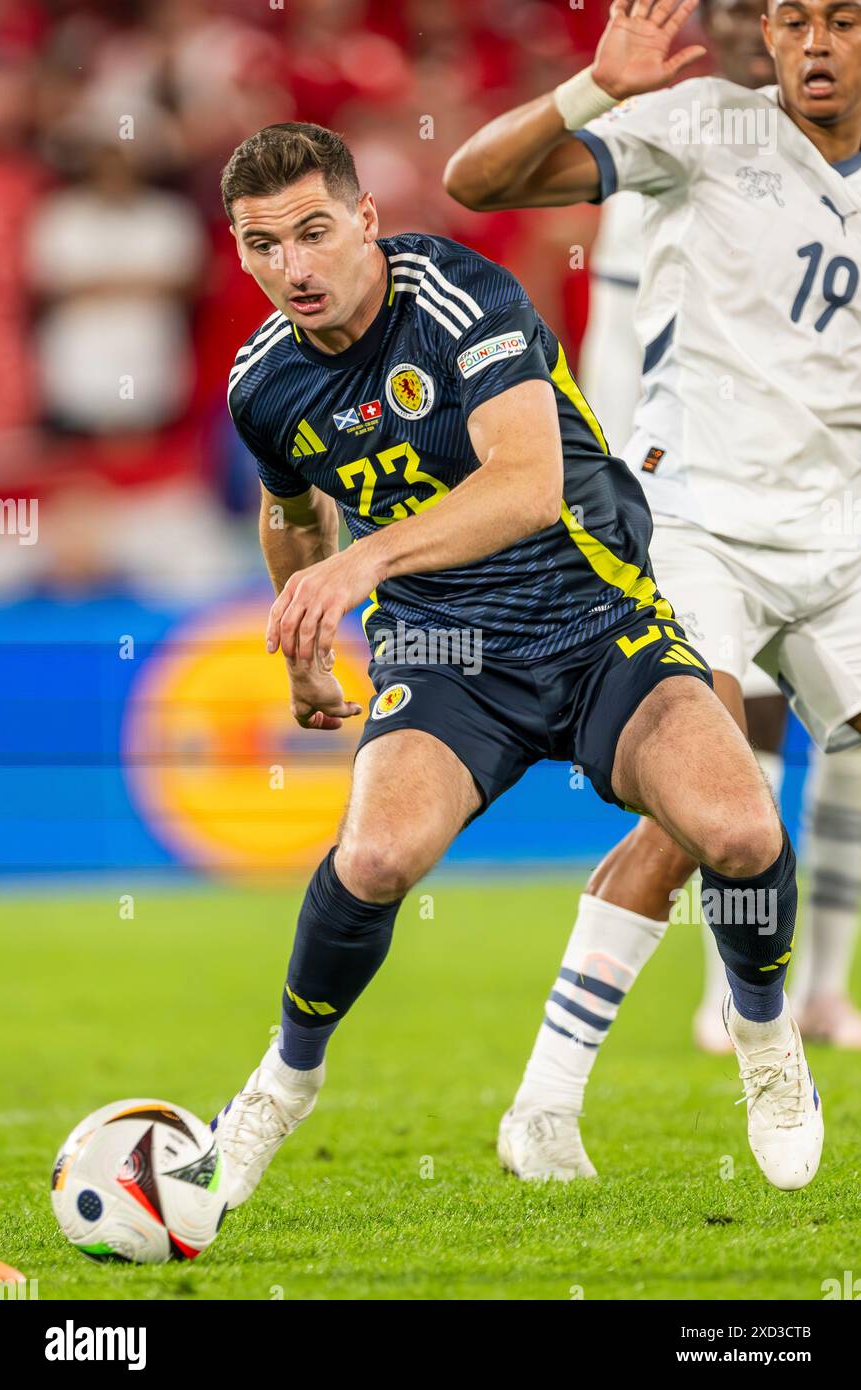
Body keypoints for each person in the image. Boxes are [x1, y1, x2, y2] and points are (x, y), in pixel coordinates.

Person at [212, 117, 821, 1208]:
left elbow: (525, 484)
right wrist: (304, 647)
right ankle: (278, 1084)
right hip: (448, 659)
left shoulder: (459, 299)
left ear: (363, 220)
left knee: (737, 829)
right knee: (376, 858)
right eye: (263, 246)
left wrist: (361, 569)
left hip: (599, 627)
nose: (291, 268)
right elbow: (289, 509)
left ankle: (766, 1043)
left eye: (311, 232)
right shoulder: (261, 385)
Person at [444, 0, 861, 1180]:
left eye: (840, 20)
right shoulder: (701, 127)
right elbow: (475, 182)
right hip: (697, 525)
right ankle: (659, 1067)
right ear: (767, 41)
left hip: (841, 535)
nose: (814, 44)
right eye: (791, 22)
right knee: (707, 802)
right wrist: (588, 87)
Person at [576, 0, 861, 1055]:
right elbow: (617, 338)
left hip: (826, 499)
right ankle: (735, 993)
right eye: (747, 11)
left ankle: (827, 984)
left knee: (841, 755)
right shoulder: (684, 136)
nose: (760, 33)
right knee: (731, 744)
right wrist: (617, 495)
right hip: (691, 496)